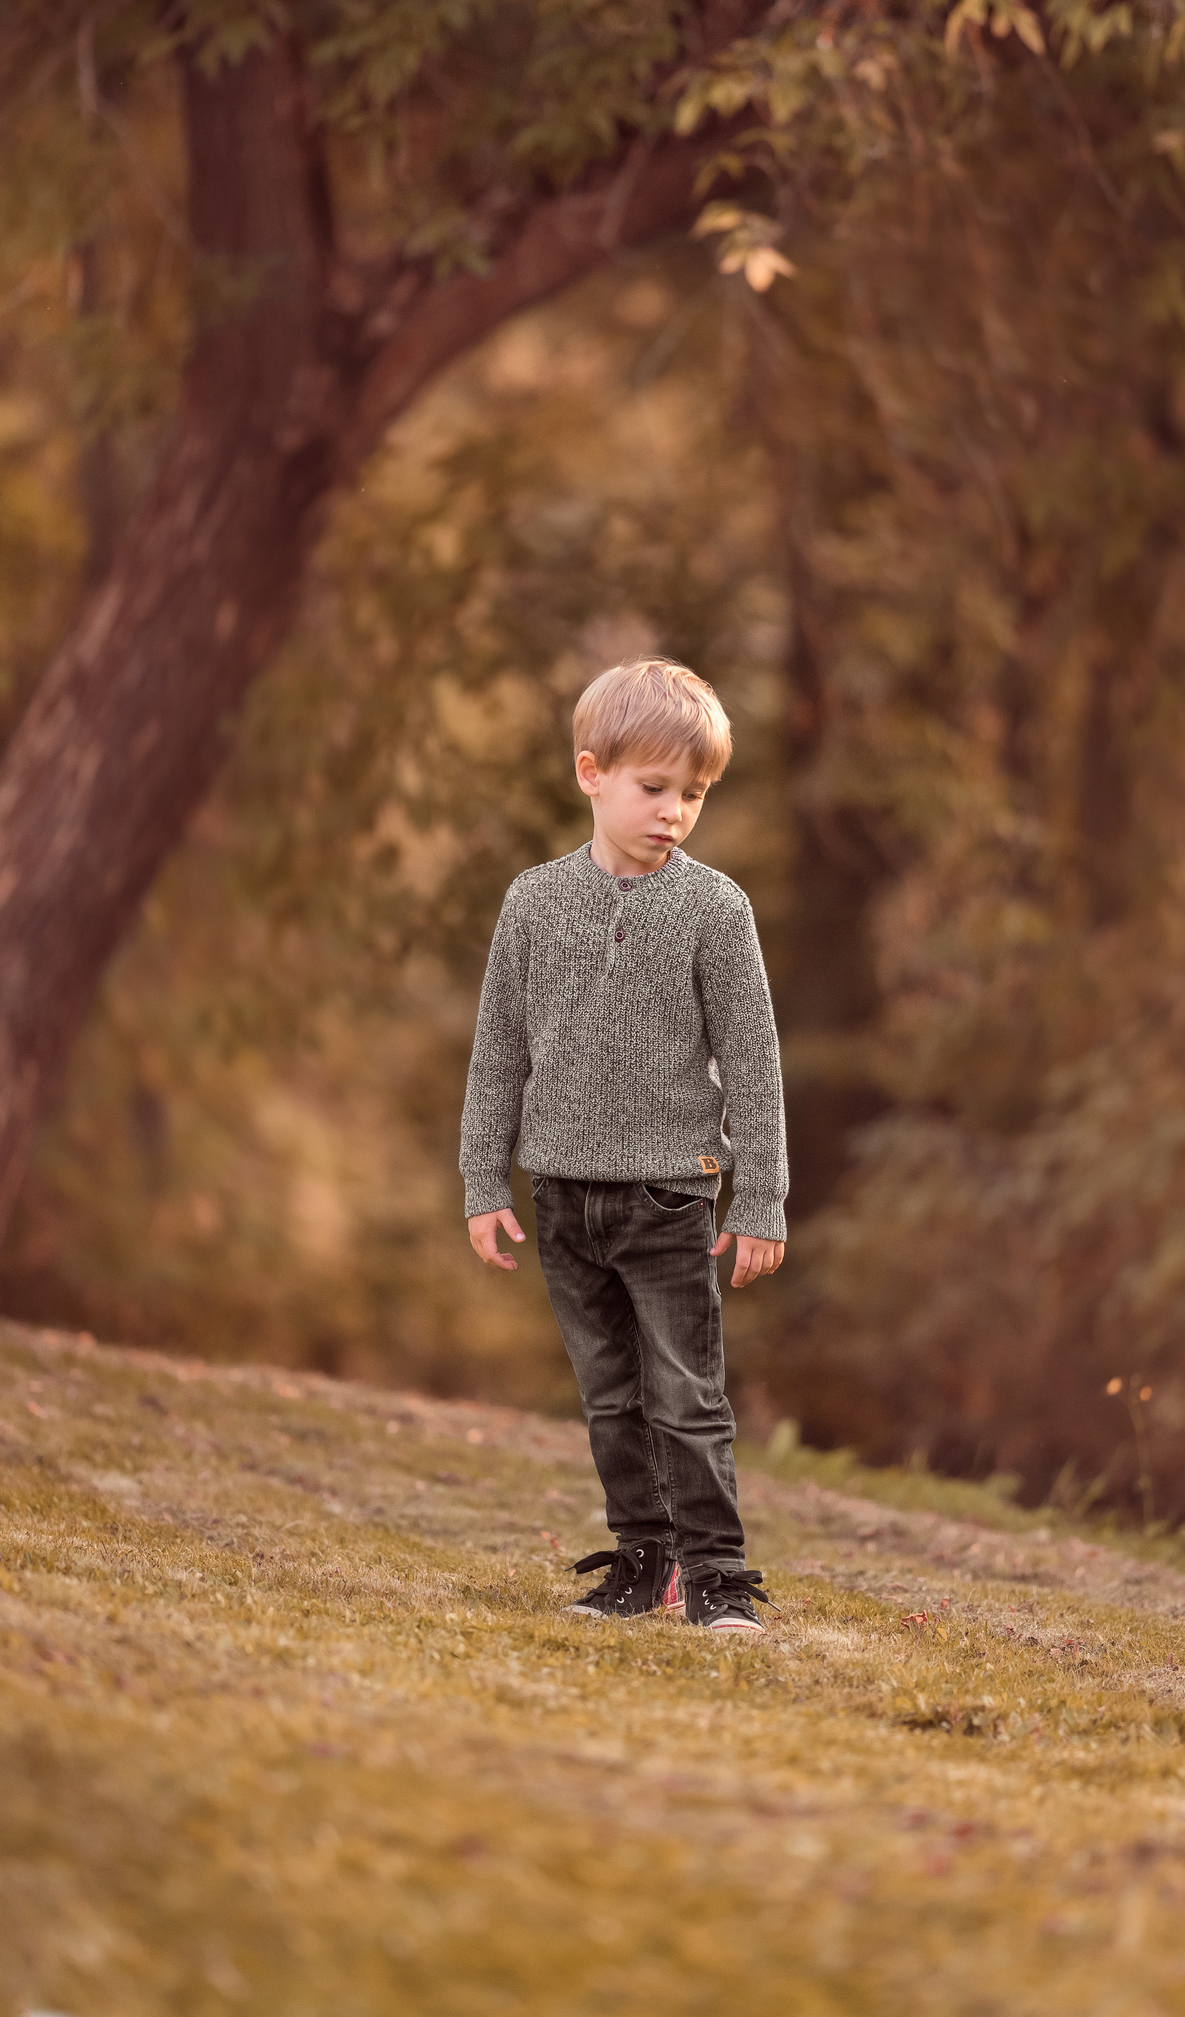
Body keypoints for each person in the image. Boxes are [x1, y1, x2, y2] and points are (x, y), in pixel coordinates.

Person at [461, 656, 787, 1635]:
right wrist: (484, 1180)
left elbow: (754, 1060)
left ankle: (718, 1578)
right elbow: (495, 1055)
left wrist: (760, 1197)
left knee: (684, 1397)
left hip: (668, 1197)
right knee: (610, 1398)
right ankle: (642, 1564)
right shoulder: (531, 903)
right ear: (590, 773)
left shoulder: (714, 910)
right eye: (654, 788)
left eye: (692, 793)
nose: (674, 812)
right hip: (562, 1194)